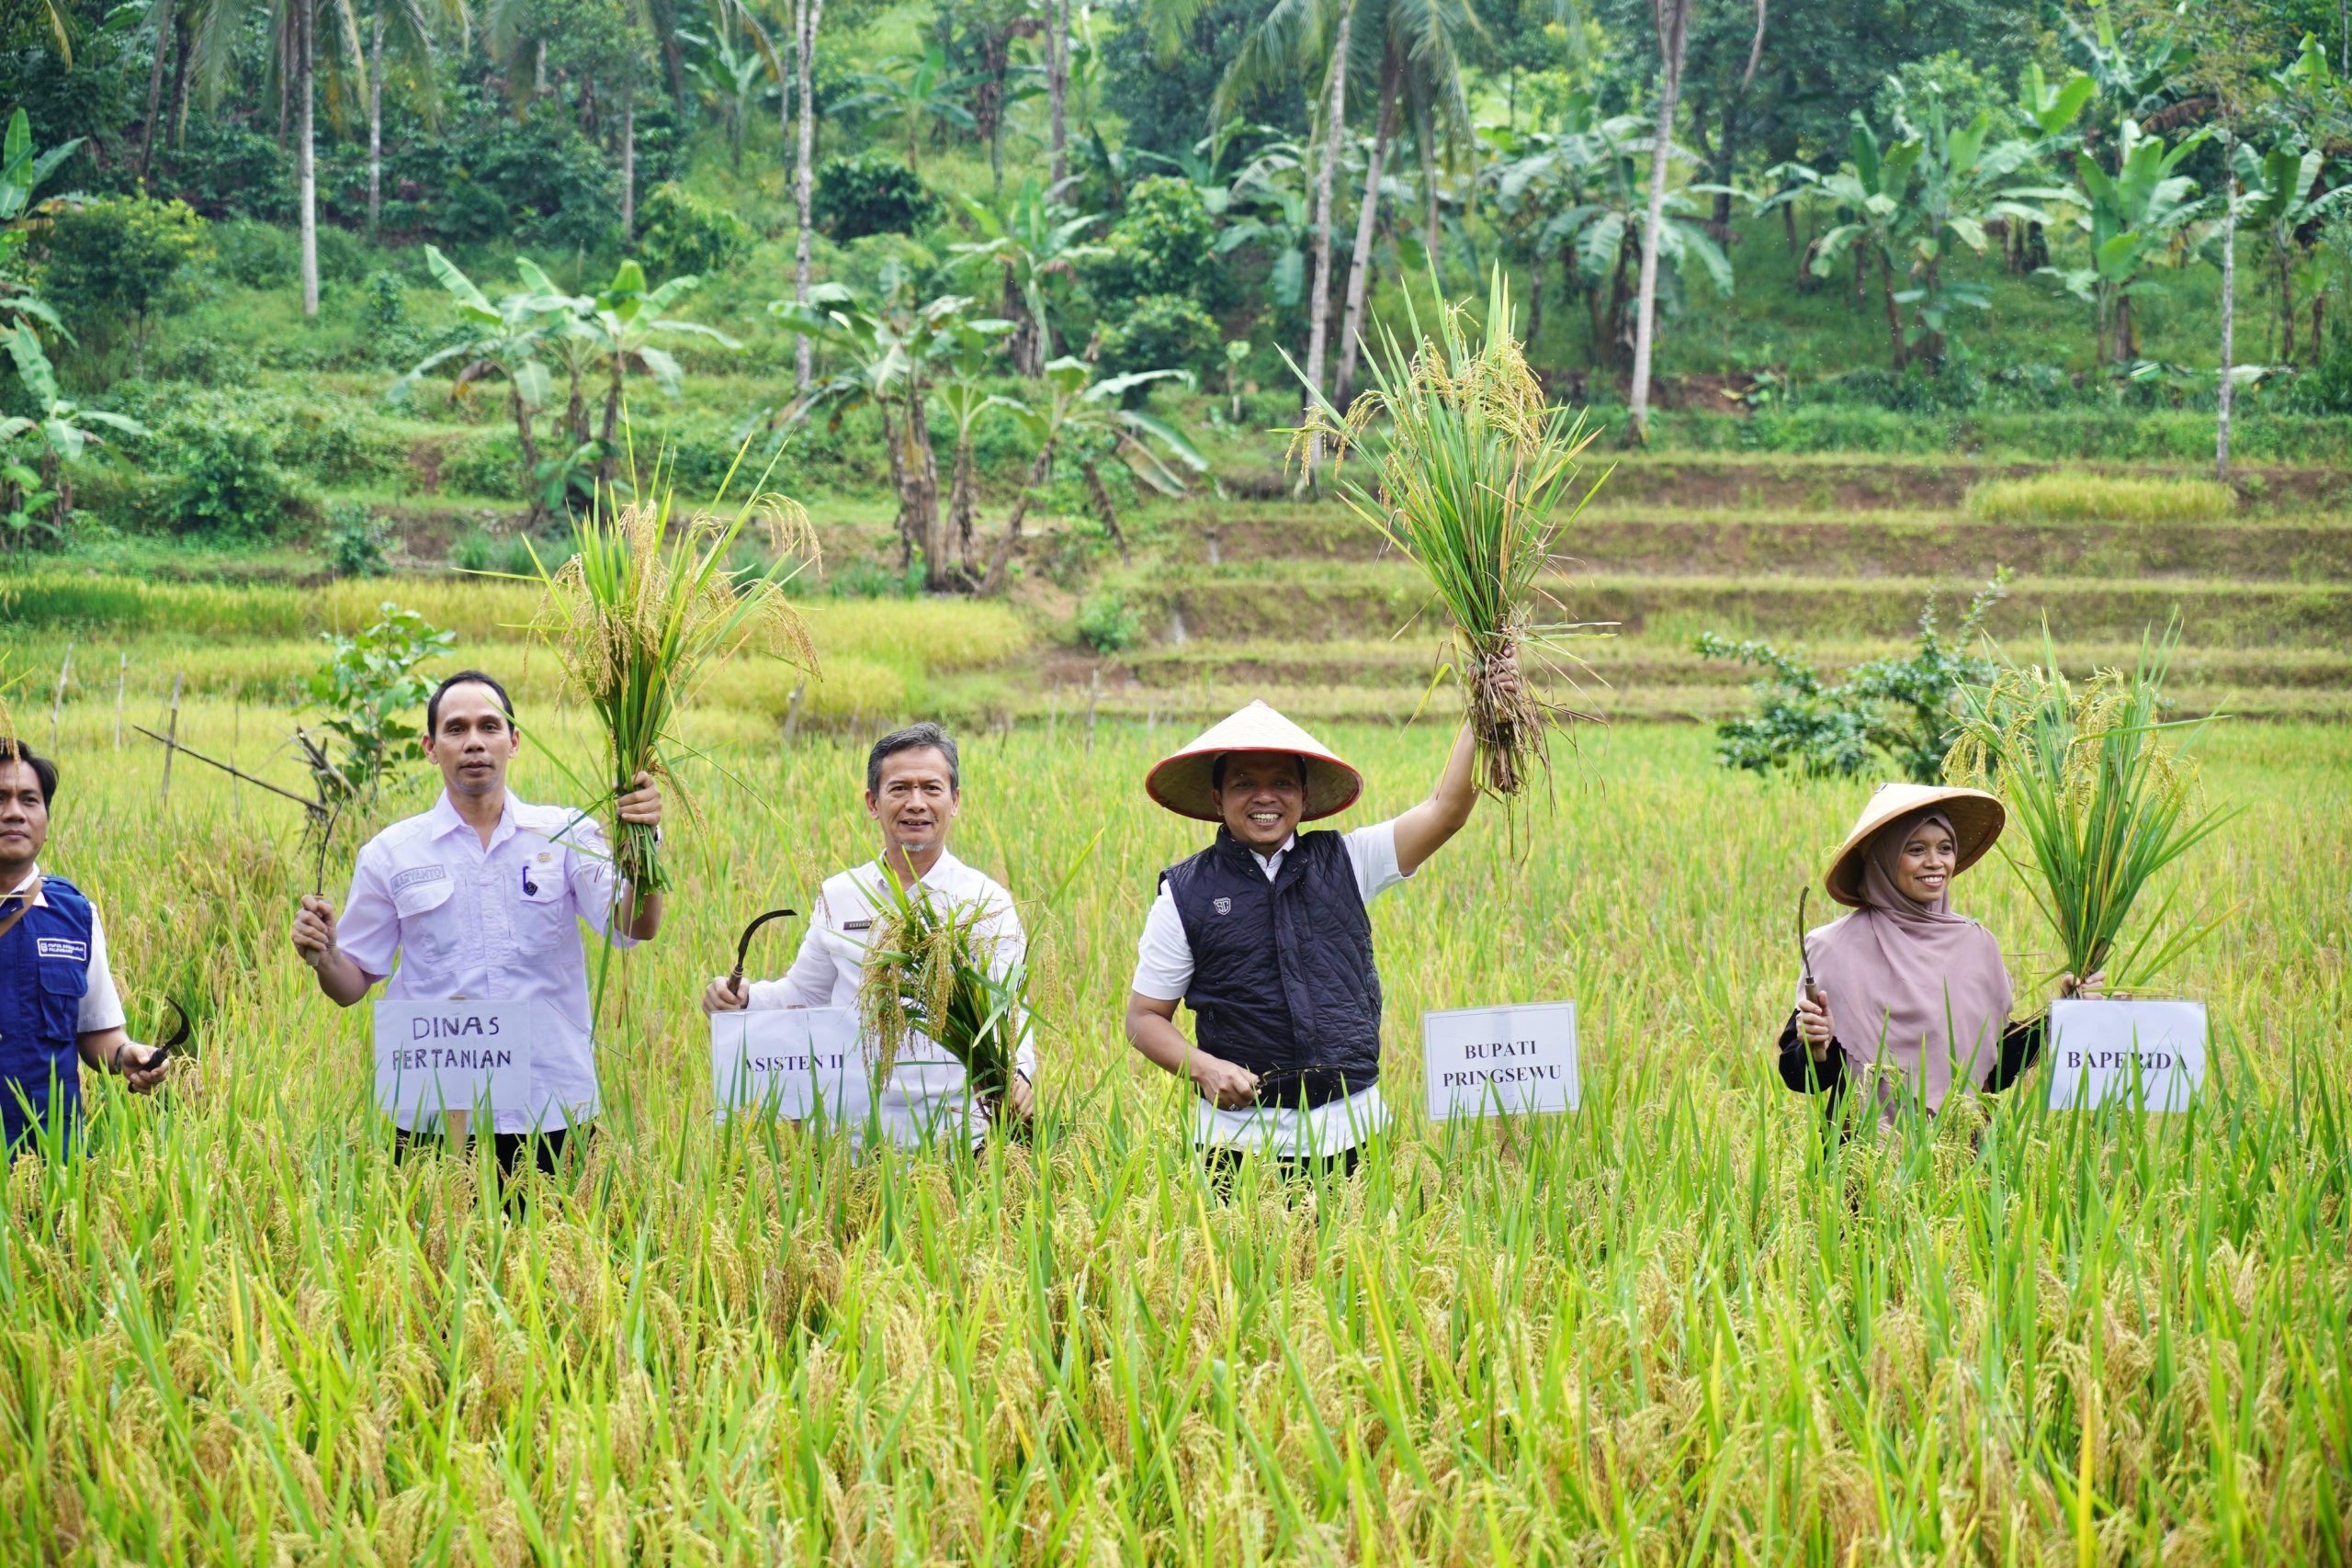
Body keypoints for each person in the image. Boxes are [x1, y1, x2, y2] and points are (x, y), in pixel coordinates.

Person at [1123, 686, 1508, 1186]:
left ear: (1304, 797)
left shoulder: (1349, 862)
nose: (1265, 797)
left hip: (1351, 1129)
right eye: (1244, 783)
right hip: (1237, 1142)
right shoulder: (1184, 894)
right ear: (1218, 798)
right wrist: (1202, 1067)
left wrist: (1485, 702)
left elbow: (1445, 811)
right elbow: (1143, 1018)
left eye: (1282, 782)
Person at [288, 671, 663, 1176]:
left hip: (549, 1103)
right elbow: (350, 985)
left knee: (559, 1253)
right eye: (456, 729)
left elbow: (636, 925)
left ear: (514, 742)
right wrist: (325, 953)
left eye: (490, 727)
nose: (473, 743)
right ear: (430, 746)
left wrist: (643, 844)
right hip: (435, 1110)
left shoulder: (566, 833)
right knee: (434, 1252)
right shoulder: (391, 853)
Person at [702, 722, 1034, 1149]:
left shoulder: (984, 900)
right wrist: (743, 1000)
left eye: (931, 788)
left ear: (955, 802)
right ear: (873, 803)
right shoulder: (839, 896)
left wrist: (1019, 1076)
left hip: (957, 1134)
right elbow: (805, 994)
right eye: (899, 789)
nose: (916, 803)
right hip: (853, 1137)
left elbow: (1010, 1012)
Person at [1779, 782, 2098, 1126]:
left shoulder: (1977, 945)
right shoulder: (1835, 948)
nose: (1935, 863)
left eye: (1945, 848)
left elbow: (1996, 1064)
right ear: (1885, 857)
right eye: (1916, 849)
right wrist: (1816, 1043)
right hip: (1864, 1162)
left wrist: (2065, 1013)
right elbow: (1801, 1079)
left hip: (1966, 1156)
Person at [0, 739, 168, 1155]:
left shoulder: (74, 915)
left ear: (46, 818)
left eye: (29, 800)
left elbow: (98, 1032)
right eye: (0, 798)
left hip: (53, 1160)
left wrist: (127, 1055)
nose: (14, 812)